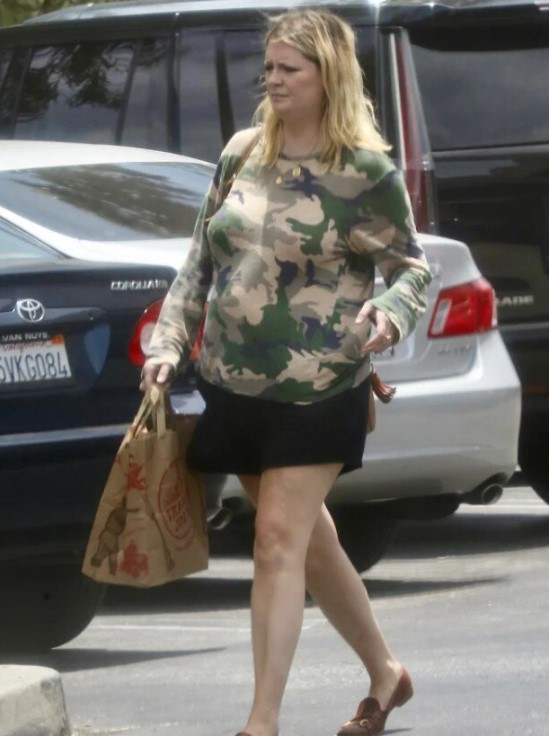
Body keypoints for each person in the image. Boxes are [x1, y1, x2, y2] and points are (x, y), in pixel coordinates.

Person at [140, 8, 432, 736]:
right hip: (233, 384)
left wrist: (388, 314)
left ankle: (261, 722)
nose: (271, 79)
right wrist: (168, 343)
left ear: (326, 76)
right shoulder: (241, 152)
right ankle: (386, 673)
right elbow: (199, 261)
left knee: (275, 539)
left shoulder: (364, 173)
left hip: (319, 385)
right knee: (308, 543)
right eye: (267, 66)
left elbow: (411, 268)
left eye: (288, 69)